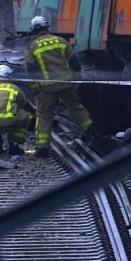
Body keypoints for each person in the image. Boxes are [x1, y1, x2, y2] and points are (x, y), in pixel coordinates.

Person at [24, 16, 96, 157]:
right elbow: (75, 63)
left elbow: (30, 70)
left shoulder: (31, 47)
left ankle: (43, 147)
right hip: (66, 84)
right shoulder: (61, 41)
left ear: (33, 31)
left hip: (46, 88)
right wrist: (76, 82)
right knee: (76, 109)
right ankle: (92, 132)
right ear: (47, 27)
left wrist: (35, 88)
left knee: (44, 115)